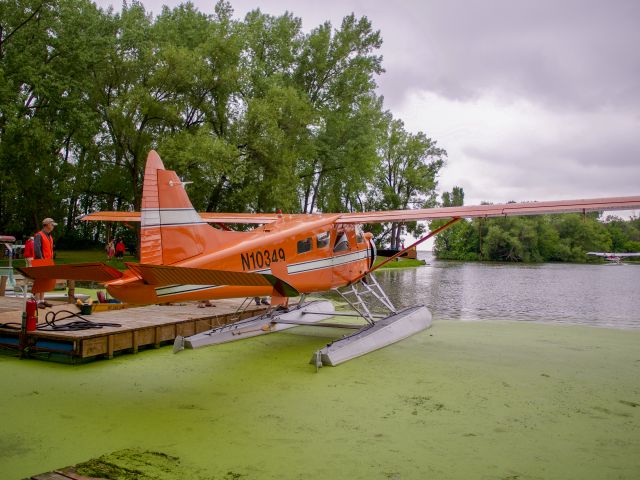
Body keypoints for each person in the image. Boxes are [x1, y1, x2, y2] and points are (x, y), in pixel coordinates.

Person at [34, 218, 56, 307]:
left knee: (45, 281)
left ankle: (42, 300)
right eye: (52, 224)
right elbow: (37, 249)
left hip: (48, 261)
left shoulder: (49, 236)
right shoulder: (39, 235)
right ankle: (37, 301)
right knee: (39, 281)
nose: (53, 226)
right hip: (40, 261)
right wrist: (42, 260)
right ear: (47, 225)